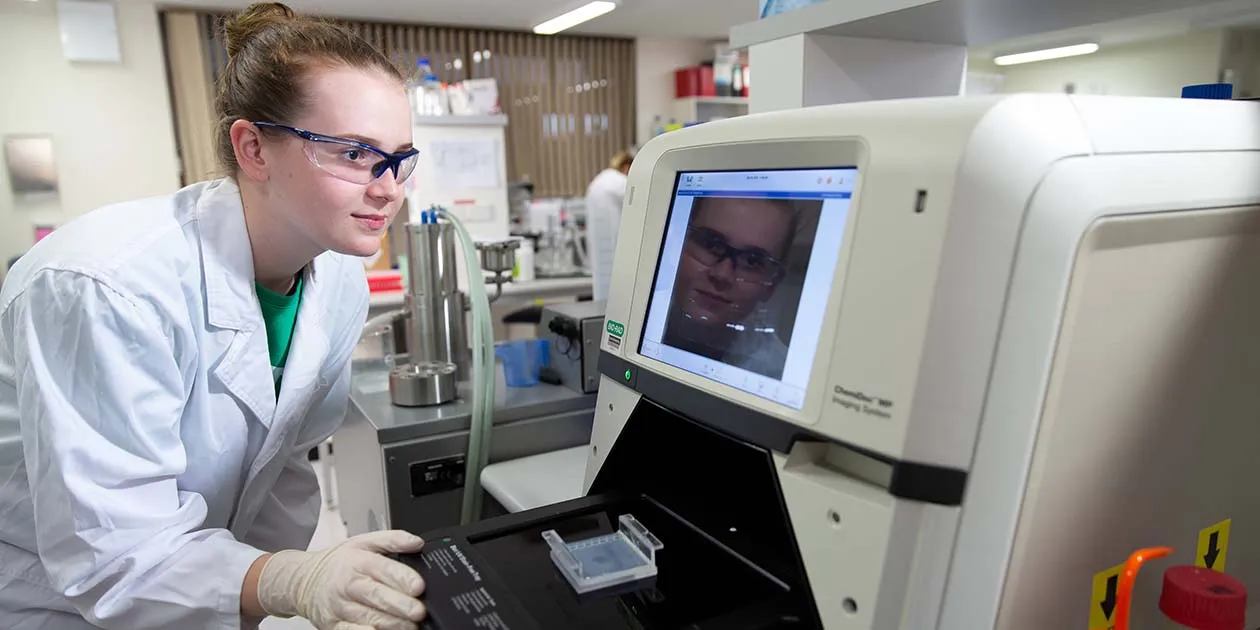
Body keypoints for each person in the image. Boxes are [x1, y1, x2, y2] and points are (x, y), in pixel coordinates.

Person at [0, 4, 430, 629]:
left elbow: (283, 464)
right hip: (46, 601)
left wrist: (269, 591)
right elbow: (110, 551)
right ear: (253, 147)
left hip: (194, 584)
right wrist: (285, 580)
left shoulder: (335, 278)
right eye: (353, 154)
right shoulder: (107, 287)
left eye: (397, 158)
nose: (388, 187)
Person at [662, 196, 805, 380]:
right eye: (711, 244)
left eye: (752, 261)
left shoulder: (781, 375)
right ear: (677, 244)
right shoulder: (633, 315)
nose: (722, 275)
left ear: (772, 284)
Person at [585, 148, 635, 301]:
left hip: (599, 255)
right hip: (618, 253)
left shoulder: (600, 180)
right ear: (627, 167)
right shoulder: (620, 182)